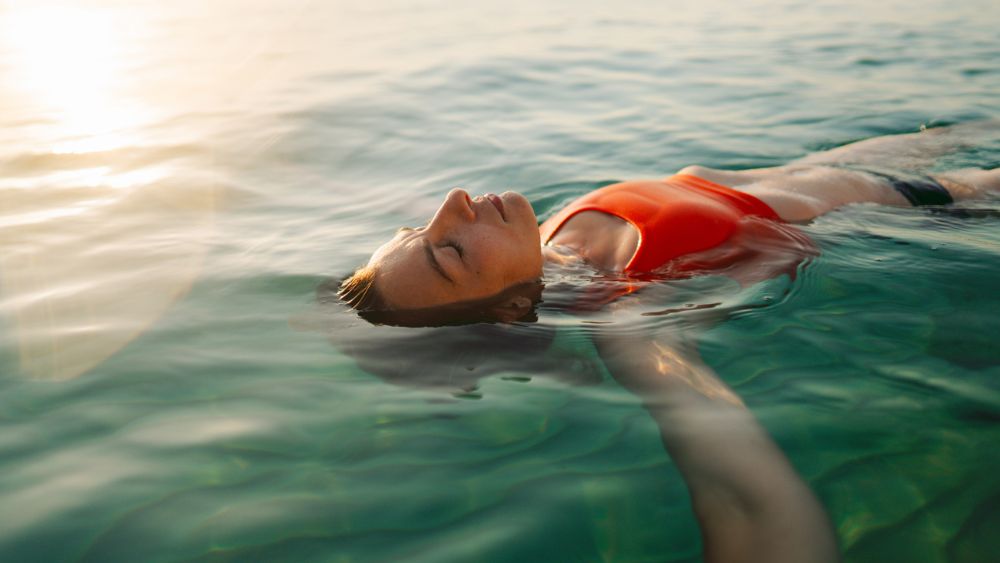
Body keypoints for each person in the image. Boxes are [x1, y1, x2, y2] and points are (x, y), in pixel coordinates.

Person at [334, 123, 999, 563]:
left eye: (418, 228)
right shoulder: (628, 316)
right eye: (449, 250)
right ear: (510, 309)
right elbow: (746, 492)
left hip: (847, 163)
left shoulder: (555, 242)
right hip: (931, 201)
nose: (451, 202)